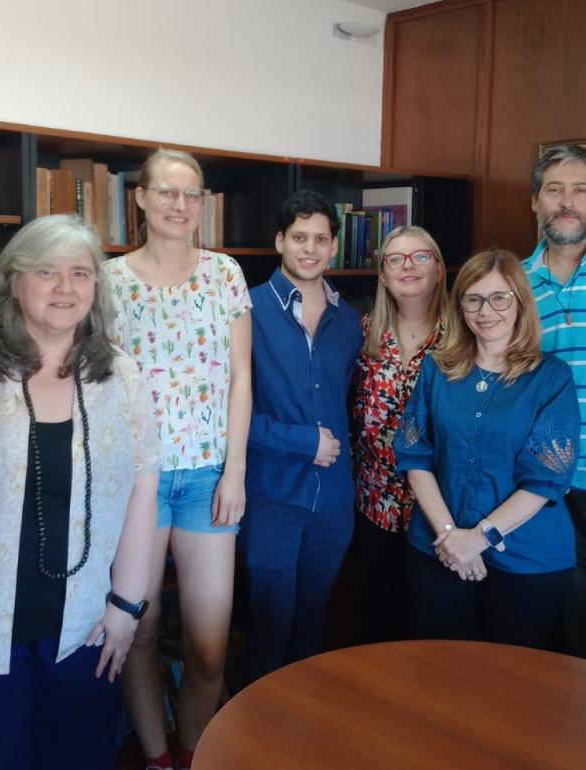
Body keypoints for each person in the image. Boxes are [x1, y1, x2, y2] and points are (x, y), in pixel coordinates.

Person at [0, 214, 159, 770]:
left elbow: (143, 490)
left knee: (80, 755)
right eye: (47, 272)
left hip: (85, 624)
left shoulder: (122, 377)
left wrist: (127, 606)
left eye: (80, 273)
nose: (65, 287)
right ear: (15, 280)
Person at [103, 148, 252, 770]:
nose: (180, 205)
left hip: (207, 479)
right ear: (140, 198)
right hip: (134, 483)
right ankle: (158, 758)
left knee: (209, 648)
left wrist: (235, 472)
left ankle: (194, 753)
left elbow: (241, 380)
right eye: (167, 192)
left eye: (192, 194)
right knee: (138, 629)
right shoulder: (108, 281)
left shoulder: (224, 274)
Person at [394, 248, 579, 649]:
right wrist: (451, 537)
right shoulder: (436, 369)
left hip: (527, 560)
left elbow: (545, 479)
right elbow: (414, 455)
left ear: (520, 303)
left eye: (499, 298)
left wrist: (478, 538)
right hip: (438, 549)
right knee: (437, 669)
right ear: (460, 306)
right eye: (473, 299)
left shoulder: (551, 378)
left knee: (511, 679)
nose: (486, 311)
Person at [237, 188, 363, 685]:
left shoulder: (349, 320)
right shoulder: (245, 310)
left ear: (333, 246)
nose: (310, 249)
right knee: (268, 630)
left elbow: (345, 401)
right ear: (279, 241)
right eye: (299, 237)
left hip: (334, 503)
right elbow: (227, 412)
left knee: (312, 628)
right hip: (272, 495)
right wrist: (301, 441)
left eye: (320, 239)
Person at [352, 225, 446, 642]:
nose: (408, 266)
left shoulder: (464, 335)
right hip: (375, 504)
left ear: (439, 269)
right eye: (396, 259)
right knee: (382, 622)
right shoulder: (362, 333)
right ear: (383, 275)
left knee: (433, 626)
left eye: (420, 256)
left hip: (441, 509)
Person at [523, 144, 586, 656]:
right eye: (555, 190)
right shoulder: (511, 285)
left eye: (582, 190)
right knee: (557, 630)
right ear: (535, 201)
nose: (568, 202)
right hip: (541, 487)